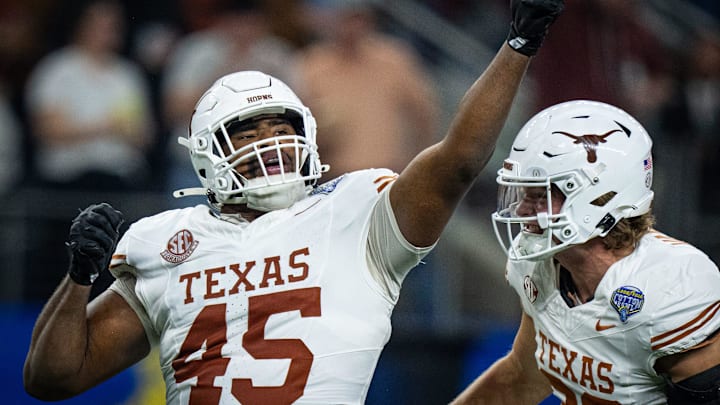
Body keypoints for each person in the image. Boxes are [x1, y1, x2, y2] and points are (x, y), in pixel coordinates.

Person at [22, 0, 564, 403]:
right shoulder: (168, 241)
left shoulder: (355, 213)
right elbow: (52, 379)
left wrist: (517, 46)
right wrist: (77, 278)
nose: (272, 143)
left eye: (280, 127)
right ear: (210, 155)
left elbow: (459, 160)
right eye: (249, 131)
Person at [451, 100, 720, 404]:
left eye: (540, 196)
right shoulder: (541, 269)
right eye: (524, 194)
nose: (523, 210)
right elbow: (522, 377)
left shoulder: (672, 285)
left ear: (600, 197)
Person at [294, 1, 440, 180]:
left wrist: (418, 164)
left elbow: (424, 114)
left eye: (359, 18)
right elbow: (297, 126)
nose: (353, 27)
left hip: (389, 176)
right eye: (345, 19)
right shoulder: (311, 65)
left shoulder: (393, 60)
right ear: (330, 21)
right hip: (333, 178)